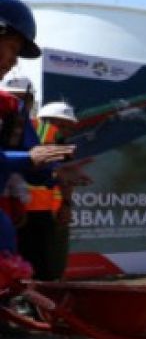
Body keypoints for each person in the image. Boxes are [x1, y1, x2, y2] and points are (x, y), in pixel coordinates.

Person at [0, 0, 84, 255]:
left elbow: (29, 156)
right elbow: (26, 157)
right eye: (12, 47)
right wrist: (27, 160)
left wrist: (54, 173)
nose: (14, 61)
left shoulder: (9, 108)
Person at [19, 102, 80, 280]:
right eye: (60, 124)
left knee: (50, 268)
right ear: (43, 121)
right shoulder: (28, 141)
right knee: (31, 267)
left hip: (51, 214)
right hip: (27, 213)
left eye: (68, 127)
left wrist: (66, 205)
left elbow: (67, 181)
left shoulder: (62, 146)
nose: (64, 130)